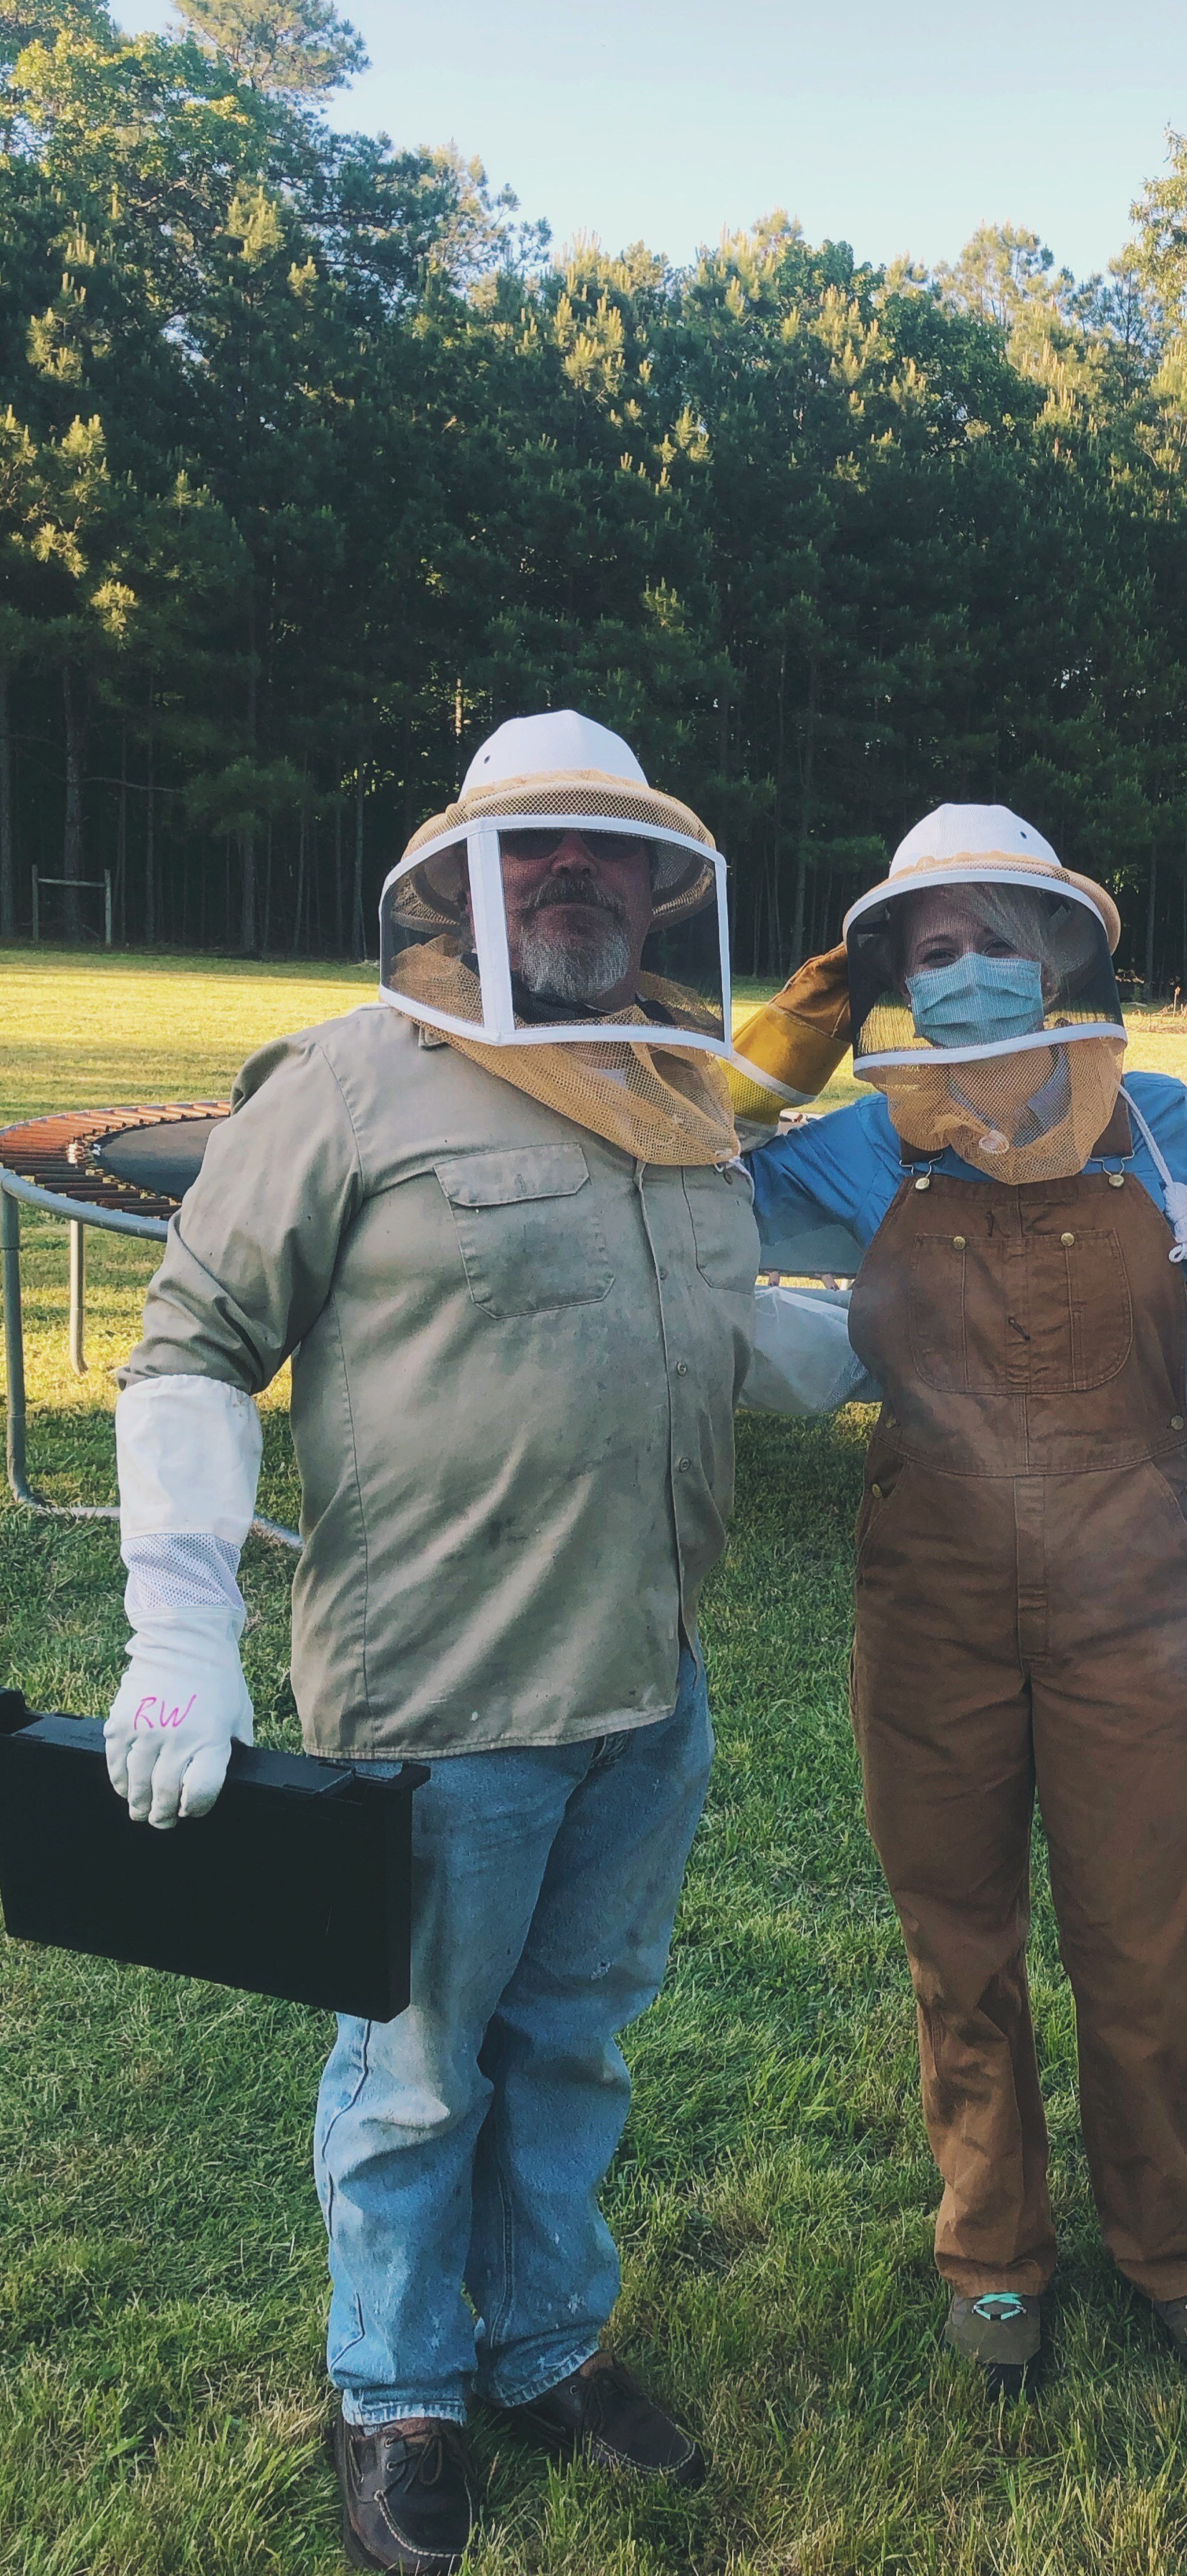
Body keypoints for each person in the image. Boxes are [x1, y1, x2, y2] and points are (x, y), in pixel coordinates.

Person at [105, 710, 834, 2575]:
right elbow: (193, 1342)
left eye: (606, 847)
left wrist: (894, 1339)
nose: (572, 871)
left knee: (575, 2044)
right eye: (531, 846)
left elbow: (705, 1324)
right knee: (416, 2071)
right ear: (457, 882)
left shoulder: (679, 1086)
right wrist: (179, 1626)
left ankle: (542, 2340)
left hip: (645, 1683)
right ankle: (398, 2382)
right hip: (439, 1694)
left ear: (662, 883)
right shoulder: (350, 1077)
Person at [746, 803, 1187, 2395]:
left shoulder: (1158, 1121)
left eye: (994, 940)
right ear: (895, 978)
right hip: (934, 1600)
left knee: (1151, 1941)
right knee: (957, 1940)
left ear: (1057, 958)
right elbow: (680, 1172)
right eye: (932, 949)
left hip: (1136, 1599)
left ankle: (1176, 2241)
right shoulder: (865, 1135)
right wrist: (784, 1049)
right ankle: (990, 2251)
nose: (966, 969)